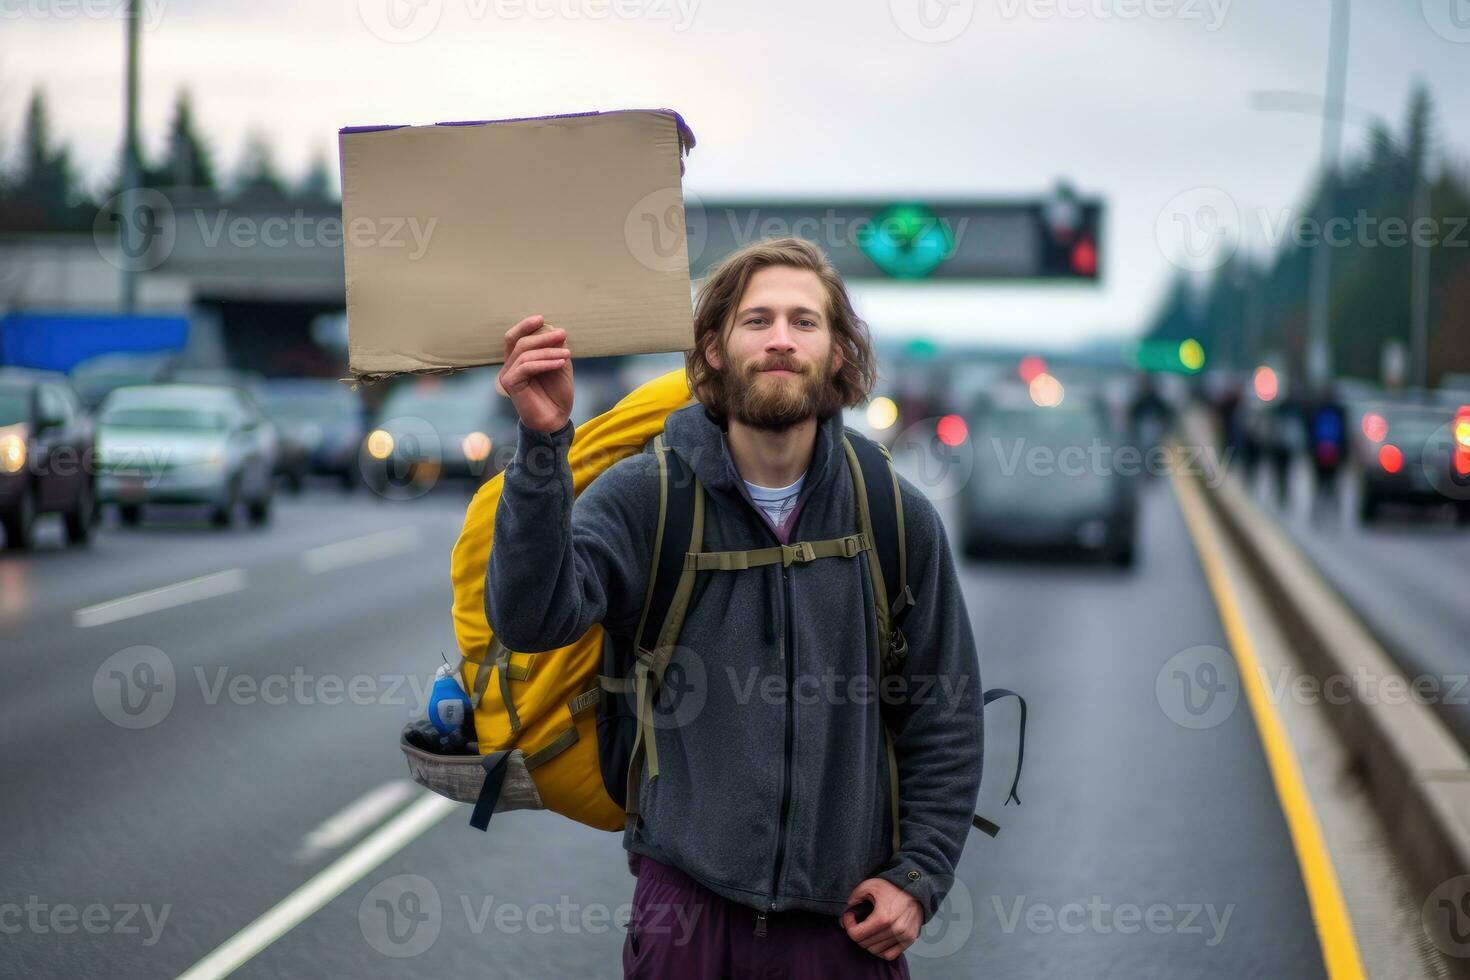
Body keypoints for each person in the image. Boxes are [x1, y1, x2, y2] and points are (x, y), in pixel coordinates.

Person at [486, 237, 984, 978]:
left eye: (804, 322)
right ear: (713, 349)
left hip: (844, 924)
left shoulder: (894, 517)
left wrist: (920, 877)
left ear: (839, 353)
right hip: (686, 915)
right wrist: (541, 445)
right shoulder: (647, 496)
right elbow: (532, 618)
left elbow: (945, 713)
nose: (781, 339)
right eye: (756, 321)